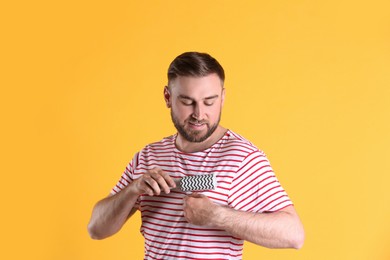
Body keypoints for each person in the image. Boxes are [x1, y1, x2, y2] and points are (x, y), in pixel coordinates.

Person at [88, 52, 305, 259]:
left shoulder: (243, 158)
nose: (199, 114)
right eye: (187, 102)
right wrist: (133, 190)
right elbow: (96, 229)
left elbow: (294, 234)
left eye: (209, 102)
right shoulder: (148, 156)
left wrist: (217, 216)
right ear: (167, 97)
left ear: (223, 97)